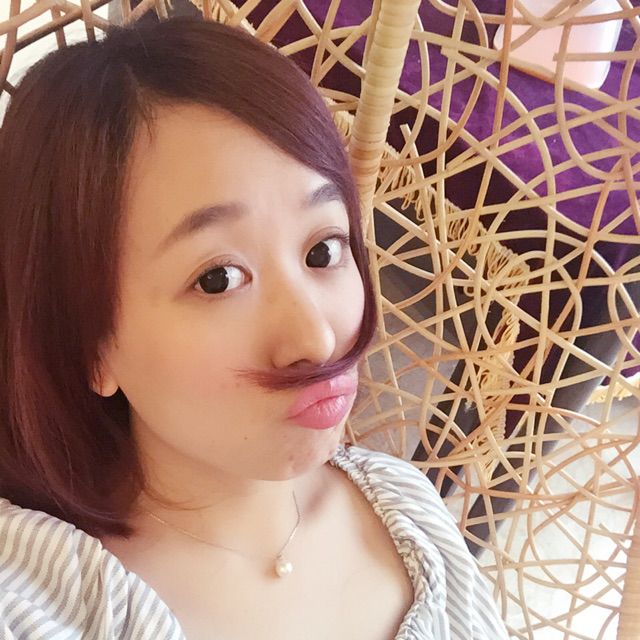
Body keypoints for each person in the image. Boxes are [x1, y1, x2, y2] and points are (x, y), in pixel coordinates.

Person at [0, 16, 508, 640]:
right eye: (218, 279)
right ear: (89, 344)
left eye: (323, 250)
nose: (317, 339)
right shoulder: (38, 604)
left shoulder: (407, 510)